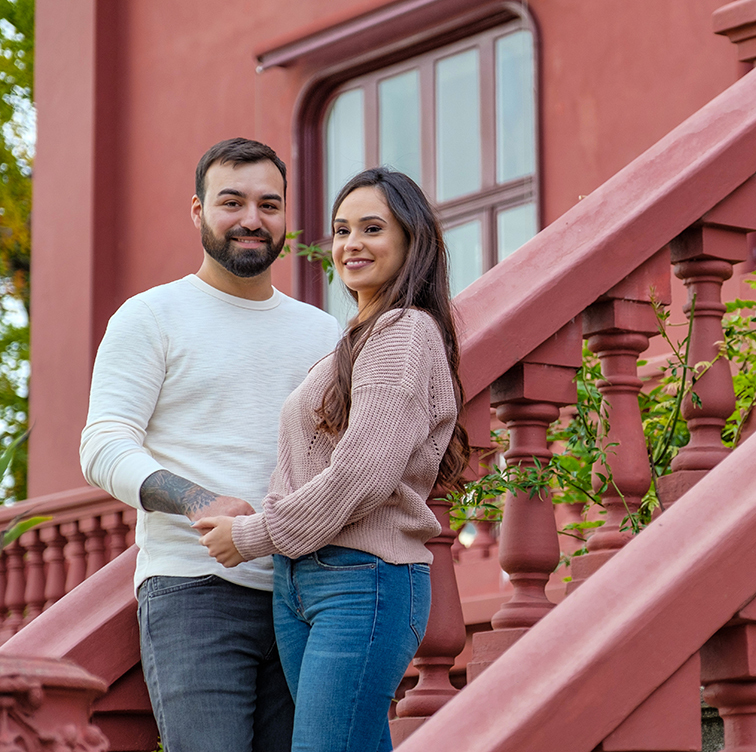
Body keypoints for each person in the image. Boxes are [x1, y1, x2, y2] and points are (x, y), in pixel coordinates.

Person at [80, 138, 341, 752]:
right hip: (194, 591)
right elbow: (103, 444)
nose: (252, 219)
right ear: (197, 210)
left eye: (269, 204)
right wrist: (199, 500)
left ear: (286, 218)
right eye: (232, 201)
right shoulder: (150, 317)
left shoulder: (323, 331)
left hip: (306, 593)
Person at [196, 167, 469, 752]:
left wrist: (254, 534)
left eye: (372, 228)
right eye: (342, 230)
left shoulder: (403, 332)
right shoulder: (356, 339)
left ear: (411, 240)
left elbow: (362, 473)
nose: (351, 244)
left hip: (363, 580)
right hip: (304, 581)